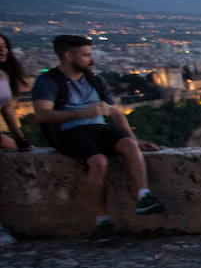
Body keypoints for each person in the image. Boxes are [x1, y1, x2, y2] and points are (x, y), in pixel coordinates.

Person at [30, 35, 164, 243]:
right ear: (68, 55)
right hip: (69, 132)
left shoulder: (95, 80)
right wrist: (81, 113)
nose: (91, 60)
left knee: (128, 145)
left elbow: (116, 114)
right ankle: (102, 221)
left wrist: (133, 140)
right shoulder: (48, 81)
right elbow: (42, 115)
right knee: (98, 162)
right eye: (86, 55)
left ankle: (144, 196)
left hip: (99, 128)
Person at [0, 34, 34, 152]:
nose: (3, 51)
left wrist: (20, 139)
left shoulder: (4, 75)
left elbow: (7, 109)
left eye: (4, 46)